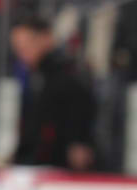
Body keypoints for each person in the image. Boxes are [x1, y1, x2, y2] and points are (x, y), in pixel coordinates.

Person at [7, 15, 97, 171]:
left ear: (46, 38)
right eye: (18, 47)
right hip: (38, 164)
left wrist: (78, 141)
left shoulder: (66, 73)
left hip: (61, 166)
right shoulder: (34, 76)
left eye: (27, 44)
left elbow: (80, 108)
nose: (22, 53)